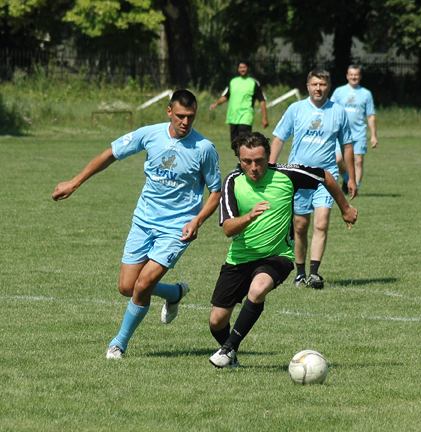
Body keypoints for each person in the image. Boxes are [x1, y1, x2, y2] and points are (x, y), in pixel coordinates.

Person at [52, 90, 222, 359]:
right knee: (127, 287)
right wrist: (75, 182)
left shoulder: (204, 148)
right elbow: (111, 153)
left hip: (176, 229)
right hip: (143, 221)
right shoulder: (149, 134)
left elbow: (216, 191)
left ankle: (118, 343)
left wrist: (197, 221)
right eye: (180, 116)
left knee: (143, 286)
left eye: (190, 117)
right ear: (169, 112)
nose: (185, 122)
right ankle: (175, 292)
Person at [208, 132, 357, 368]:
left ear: (269, 156)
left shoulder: (286, 174)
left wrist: (345, 207)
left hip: (277, 257)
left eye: (259, 161)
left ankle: (228, 349)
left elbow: (325, 176)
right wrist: (249, 216)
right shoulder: (232, 181)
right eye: (247, 162)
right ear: (239, 159)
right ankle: (230, 352)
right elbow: (227, 228)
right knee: (216, 321)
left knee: (257, 290)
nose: (254, 167)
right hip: (239, 258)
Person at [269, 68, 356, 289]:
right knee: (300, 225)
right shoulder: (296, 109)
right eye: (315, 84)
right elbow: (279, 137)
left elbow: (347, 146)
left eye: (323, 84)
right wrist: (269, 166)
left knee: (322, 222)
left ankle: (315, 273)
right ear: (307, 86)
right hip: (298, 175)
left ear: (329, 87)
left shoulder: (338, 112)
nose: (319, 88)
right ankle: (300, 273)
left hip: (326, 176)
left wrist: (351, 178)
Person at [331, 65, 378, 194]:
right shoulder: (339, 92)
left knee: (358, 161)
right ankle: (347, 180)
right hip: (340, 133)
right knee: (338, 160)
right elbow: (330, 110)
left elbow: (370, 115)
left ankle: (355, 187)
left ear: (360, 76)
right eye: (351, 75)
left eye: (356, 75)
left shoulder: (366, 94)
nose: (353, 77)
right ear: (347, 76)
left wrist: (373, 135)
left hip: (359, 133)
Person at [210, 60, 269, 143]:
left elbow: (262, 100)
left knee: (245, 142)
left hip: (246, 116)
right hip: (233, 116)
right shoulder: (233, 81)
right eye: (240, 67)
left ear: (248, 68)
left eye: (244, 67)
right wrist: (216, 104)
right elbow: (226, 96)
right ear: (238, 69)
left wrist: (265, 117)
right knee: (234, 143)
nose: (242, 69)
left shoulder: (253, 83)